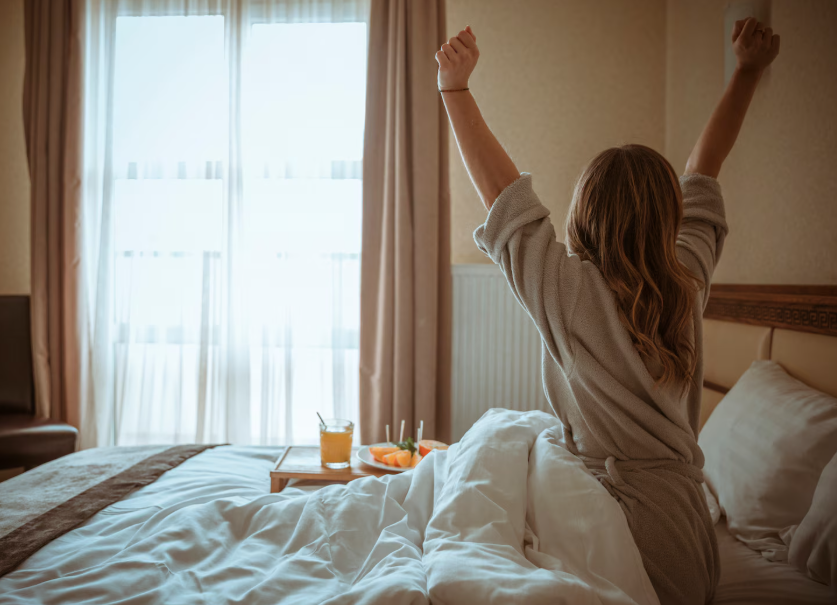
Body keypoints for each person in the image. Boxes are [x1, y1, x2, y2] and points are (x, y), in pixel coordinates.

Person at [436, 18, 780, 605]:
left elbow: (504, 197)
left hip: (612, 521)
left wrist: (455, 89)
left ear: (584, 213)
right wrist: (746, 73)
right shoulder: (688, 279)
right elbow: (705, 169)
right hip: (683, 542)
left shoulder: (567, 287)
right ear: (669, 217)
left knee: (501, 440)